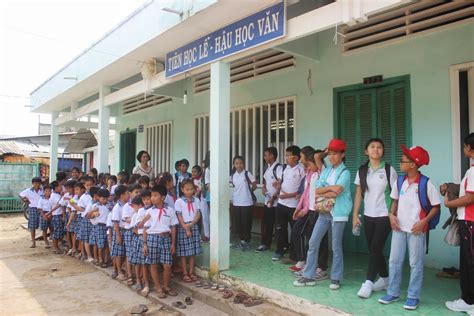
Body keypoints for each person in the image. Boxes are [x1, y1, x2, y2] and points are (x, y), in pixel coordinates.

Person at [379, 145, 440, 310]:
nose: (400, 163)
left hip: (416, 231)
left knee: (415, 264)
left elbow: (436, 206)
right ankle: (393, 292)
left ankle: (413, 296)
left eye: (403, 160)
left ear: (413, 164)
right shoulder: (400, 181)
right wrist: (391, 215)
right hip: (399, 229)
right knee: (394, 261)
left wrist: (423, 222)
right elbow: (395, 201)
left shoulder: (426, 184)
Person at [294, 139, 351, 290]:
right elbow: (317, 190)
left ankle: (336, 277)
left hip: (338, 213)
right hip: (324, 212)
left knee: (336, 246)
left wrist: (327, 188)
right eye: (330, 154)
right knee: (313, 242)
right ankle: (308, 275)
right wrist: (329, 189)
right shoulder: (326, 171)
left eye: (335, 154)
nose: (332, 157)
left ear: (342, 154)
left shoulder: (345, 172)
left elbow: (338, 190)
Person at [353, 138, 397, 298]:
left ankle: (369, 282)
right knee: (374, 249)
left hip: (384, 215)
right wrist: (355, 215)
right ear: (366, 151)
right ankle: (385, 278)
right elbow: (358, 193)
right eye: (372, 147)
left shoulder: (388, 170)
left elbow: (395, 194)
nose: (376, 149)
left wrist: (392, 214)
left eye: (379, 147)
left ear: (383, 151)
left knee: (375, 248)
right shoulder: (362, 170)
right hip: (368, 215)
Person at [445, 133, 474, 313]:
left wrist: (449, 203)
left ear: (470, 148)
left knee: (469, 262)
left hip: (470, 222)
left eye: (464, 146)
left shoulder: (473, 171)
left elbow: (470, 197)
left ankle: (469, 301)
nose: (464, 149)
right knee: (467, 261)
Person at [289, 147, 327, 274]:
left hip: (319, 210)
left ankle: (321, 267)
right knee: (312, 239)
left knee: (320, 240)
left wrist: (322, 155)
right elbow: (306, 193)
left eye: (301, 155)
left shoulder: (322, 171)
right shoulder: (310, 172)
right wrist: (300, 208)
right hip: (310, 210)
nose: (300, 158)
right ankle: (311, 264)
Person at [143, 185, 178, 298]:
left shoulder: (170, 210)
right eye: (151, 195)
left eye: (155, 195)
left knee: (167, 265)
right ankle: (158, 288)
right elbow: (145, 228)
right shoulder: (149, 212)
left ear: (163, 197)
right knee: (153, 265)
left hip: (166, 239)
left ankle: (166, 286)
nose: (152, 198)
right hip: (152, 239)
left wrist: (173, 243)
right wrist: (145, 244)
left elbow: (173, 227)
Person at [272, 145, 305, 261]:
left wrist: (288, 195)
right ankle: (280, 250)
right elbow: (282, 183)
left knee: (295, 231)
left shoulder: (301, 170)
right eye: (285, 155)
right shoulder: (284, 168)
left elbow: (303, 190)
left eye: (288, 156)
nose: (286, 158)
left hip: (294, 206)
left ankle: (295, 255)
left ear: (296, 157)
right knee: (280, 228)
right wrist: (278, 186)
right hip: (281, 204)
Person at [175, 179, 202, 282]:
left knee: (192, 251)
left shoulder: (196, 200)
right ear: (182, 190)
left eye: (191, 189)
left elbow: (198, 213)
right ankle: (185, 273)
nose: (190, 191)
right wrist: (186, 227)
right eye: (187, 189)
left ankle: (191, 272)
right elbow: (179, 215)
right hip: (183, 227)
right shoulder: (179, 201)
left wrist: (193, 223)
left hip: (193, 226)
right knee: (184, 252)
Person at [256, 147, 282, 252]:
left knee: (279, 226)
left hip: (277, 203)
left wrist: (273, 198)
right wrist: (263, 188)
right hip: (268, 202)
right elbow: (265, 182)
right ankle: (265, 244)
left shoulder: (278, 168)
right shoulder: (267, 168)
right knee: (267, 223)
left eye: (266, 155)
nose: (265, 157)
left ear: (272, 156)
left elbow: (281, 185)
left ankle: (282, 247)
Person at [230, 156, 257, 251]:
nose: (239, 165)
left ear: (243, 164)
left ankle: (247, 242)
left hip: (247, 202)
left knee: (246, 223)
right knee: (239, 223)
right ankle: (242, 241)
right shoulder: (232, 175)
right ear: (234, 165)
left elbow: (254, 184)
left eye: (241, 163)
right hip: (236, 202)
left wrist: (249, 191)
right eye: (236, 163)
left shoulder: (247, 173)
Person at [122, 183, 142, 285]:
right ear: (130, 193)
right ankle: (130, 274)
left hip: (140, 232)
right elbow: (126, 219)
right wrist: (136, 218)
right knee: (129, 254)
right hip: (130, 232)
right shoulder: (127, 206)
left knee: (138, 254)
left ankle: (137, 275)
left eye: (140, 192)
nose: (138, 194)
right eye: (136, 192)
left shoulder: (142, 205)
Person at [129, 194, 148, 293]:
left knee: (141, 261)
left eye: (134, 206)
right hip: (140, 238)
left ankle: (142, 280)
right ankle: (140, 280)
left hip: (141, 238)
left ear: (139, 205)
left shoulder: (142, 211)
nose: (133, 209)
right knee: (140, 262)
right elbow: (135, 229)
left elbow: (136, 228)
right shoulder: (138, 214)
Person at [88, 188, 111, 268]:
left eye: (106, 198)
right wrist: (93, 212)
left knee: (105, 244)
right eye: (103, 198)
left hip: (106, 226)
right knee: (99, 244)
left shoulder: (108, 205)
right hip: (99, 226)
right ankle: (99, 259)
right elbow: (89, 216)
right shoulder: (96, 206)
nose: (104, 200)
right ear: (98, 197)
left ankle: (106, 259)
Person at [111, 185, 129, 281]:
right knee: (118, 253)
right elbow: (115, 222)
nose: (128, 195)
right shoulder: (117, 207)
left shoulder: (127, 205)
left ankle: (122, 269)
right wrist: (118, 235)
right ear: (122, 195)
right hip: (119, 231)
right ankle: (119, 271)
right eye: (127, 193)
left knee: (124, 252)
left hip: (125, 230)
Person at [19, 177, 43, 248]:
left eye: (38, 183)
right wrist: (24, 199)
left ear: (40, 183)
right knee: (32, 226)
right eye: (35, 183)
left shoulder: (43, 190)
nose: (37, 184)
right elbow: (20, 195)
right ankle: (33, 241)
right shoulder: (28, 191)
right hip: (32, 208)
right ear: (32, 183)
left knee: (44, 225)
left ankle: (46, 240)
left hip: (41, 209)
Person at [47, 181, 65, 253]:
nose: (61, 188)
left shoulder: (56, 195)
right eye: (60, 186)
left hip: (58, 215)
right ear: (56, 188)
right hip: (57, 215)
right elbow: (60, 204)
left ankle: (57, 246)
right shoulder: (54, 196)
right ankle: (55, 247)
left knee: (58, 231)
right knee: (57, 232)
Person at [36, 184, 54, 249]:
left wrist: (50, 214)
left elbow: (53, 207)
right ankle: (46, 241)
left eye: (49, 191)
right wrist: (44, 215)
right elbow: (39, 208)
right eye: (46, 191)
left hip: (51, 214)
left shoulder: (52, 198)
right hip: (43, 214)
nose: (48, 192)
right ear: (44, 192)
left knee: (52, 228)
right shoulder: (41, 198)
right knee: (44, 229)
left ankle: (53, 240)